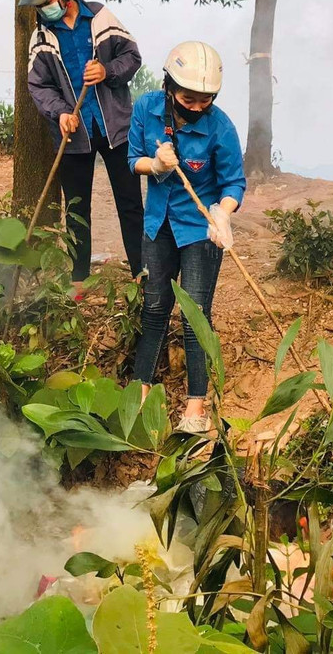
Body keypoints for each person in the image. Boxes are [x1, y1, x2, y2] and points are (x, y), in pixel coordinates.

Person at [129, 41, 245, 434]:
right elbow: (132, 160)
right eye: (187, 98)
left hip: (200, 228)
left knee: (194, 313)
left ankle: (197, 404)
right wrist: (155, 164)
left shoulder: (220, 127)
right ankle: (140, 392)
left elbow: (234, 182)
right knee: (155, 307)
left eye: (204, 100)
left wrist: (223, 214)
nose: (196, 106)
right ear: (169, 87)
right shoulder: (146, 108)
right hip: (158, 225)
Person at [21, 0, 145, 295]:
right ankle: (78, 280)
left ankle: (141, 271)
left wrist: (106, 71)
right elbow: (39, 85)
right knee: (76, 208)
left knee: (130, 203)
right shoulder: (41, 37)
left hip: (115, 128)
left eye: (45, 1)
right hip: (73, 133)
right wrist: (61, 113)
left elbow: (132, 56)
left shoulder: (101, 18)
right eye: (37, 6)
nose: (41, 10)